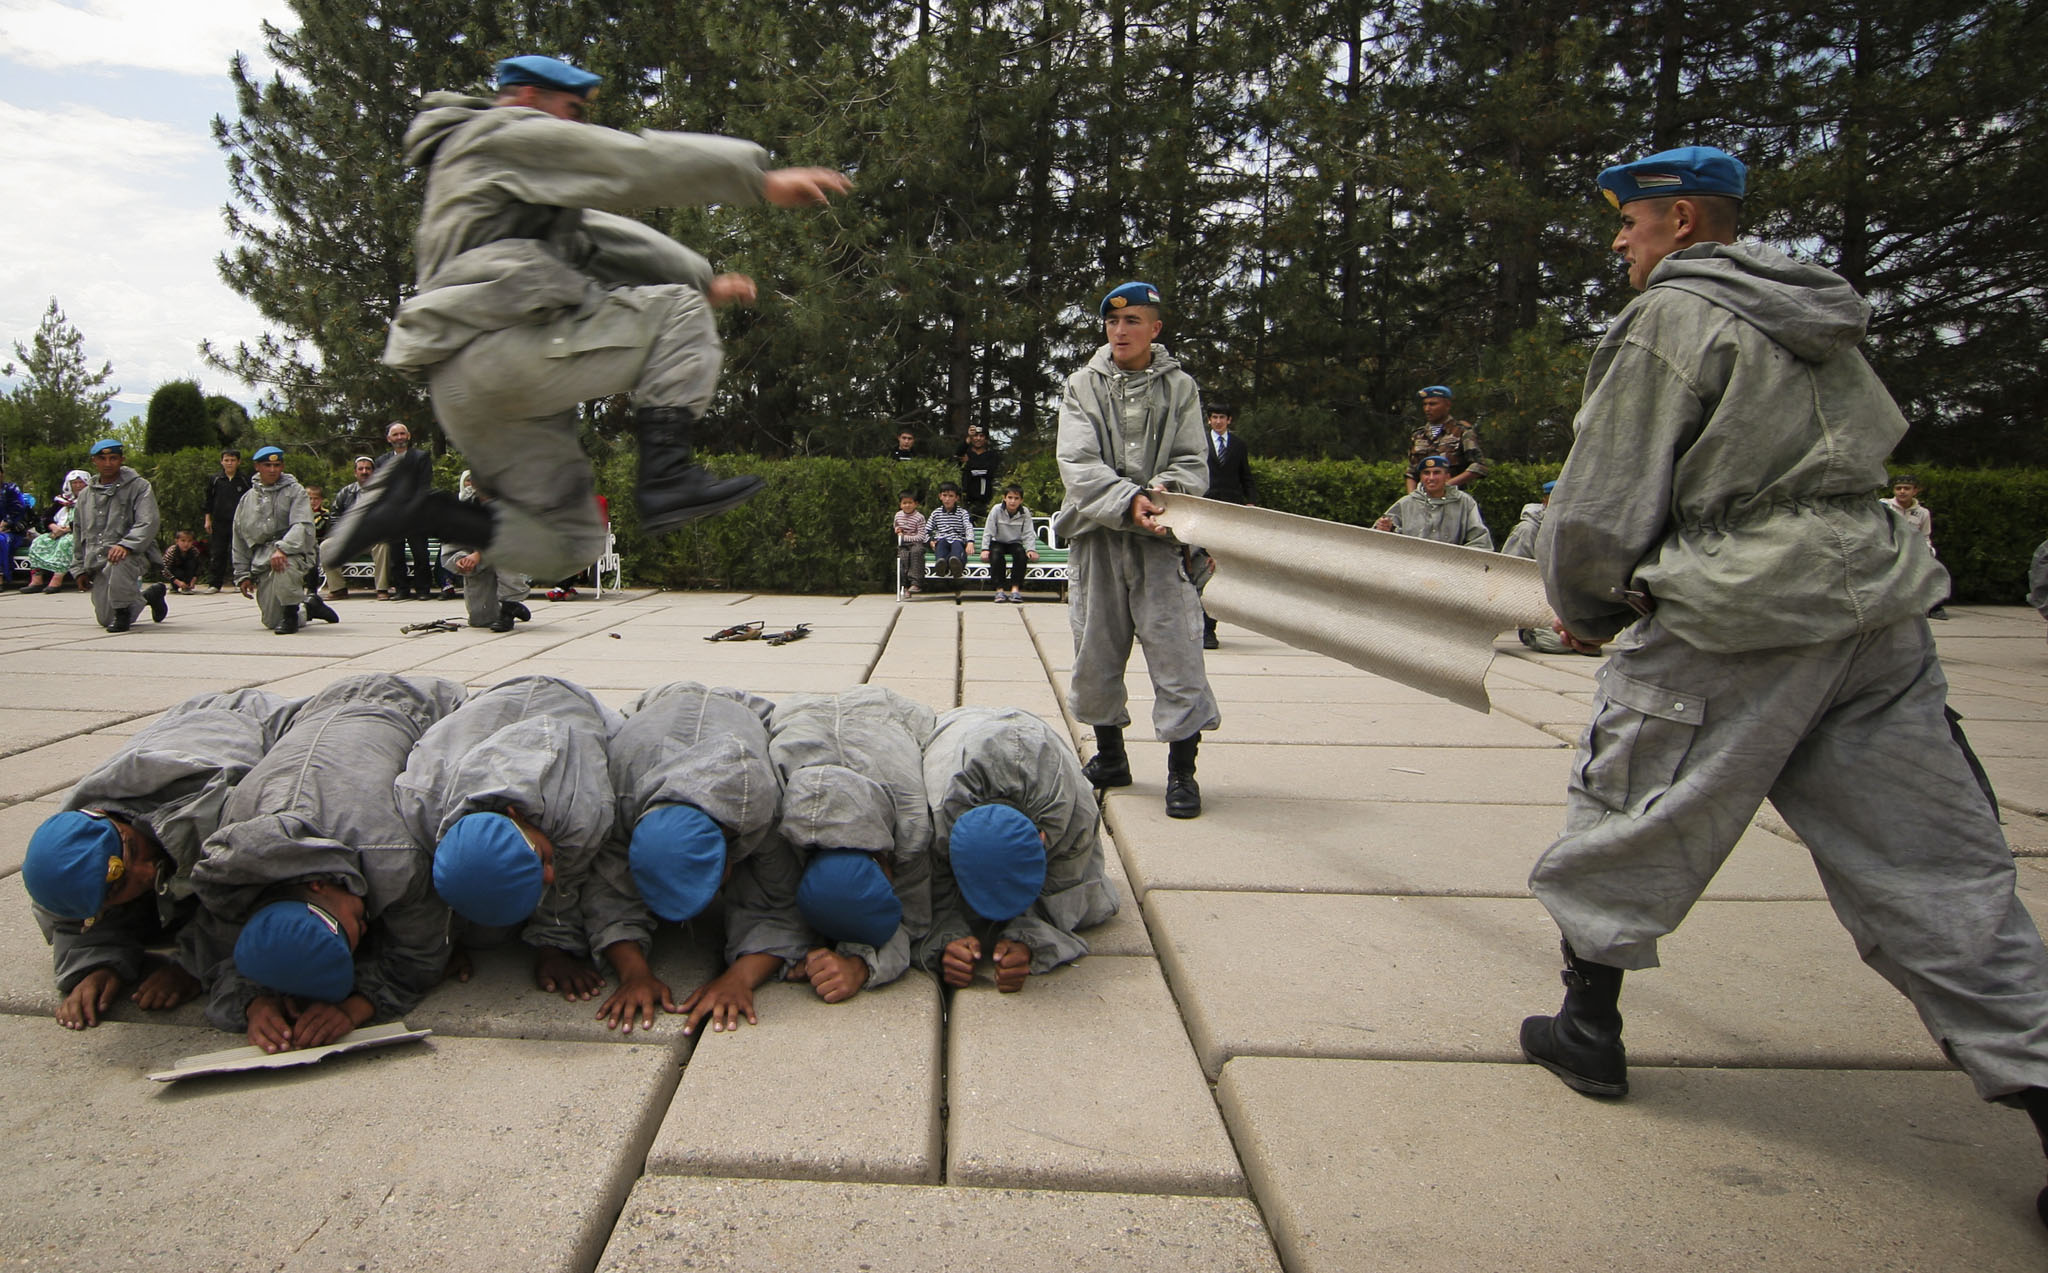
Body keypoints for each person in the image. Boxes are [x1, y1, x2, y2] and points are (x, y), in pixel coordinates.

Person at [1517, 144, 2048, 1226]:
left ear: (1677, 222)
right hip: (1875, 612)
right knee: (1937, 862)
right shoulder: (1820, 314)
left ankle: (1589, 1028)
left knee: (1630, 804)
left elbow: (1603, 493)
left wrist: (1588, 604)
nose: (1618, 240)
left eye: (1628, 221)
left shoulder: (1671, 318)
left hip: (1734, 608)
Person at [328, 54, 852, 590]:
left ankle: (418, 512)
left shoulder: (518, 192)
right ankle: (668, 475)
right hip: (494, 349)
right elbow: (627, 162)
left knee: (570, 542)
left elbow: (601, 239)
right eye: (572, 110)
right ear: (530, 97)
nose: (577, 126)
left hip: (471, 396)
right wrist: (755, 179)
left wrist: (701, 280)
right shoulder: (499, 132)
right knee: (677, 312)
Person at [186, 674, 468, 1052]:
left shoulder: (393, 856)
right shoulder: (230, 865)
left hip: (419, 705)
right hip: (318, 708)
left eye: (351, 931)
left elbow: (422, 953)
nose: (365, 932)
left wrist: (358, 1007)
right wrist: (253, 1002)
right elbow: (215, 945)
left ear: (319, 884)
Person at [21, 689, 298, 1030]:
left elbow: (257, 884)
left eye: (134, 851)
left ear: (111, 817)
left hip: (267, 723)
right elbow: (72, 917)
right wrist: (94, 965)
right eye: (121, 884)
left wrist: (191, 966)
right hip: (191, 725)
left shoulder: (208, 808)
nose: (147, 870)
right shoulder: (66, 848)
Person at [1053, 281, 1218, 819]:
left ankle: (1182, 772)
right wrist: (1128, 500)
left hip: (1161, 543)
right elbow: (1076, 462)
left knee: (1178, 655)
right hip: (1097, 538)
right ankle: (1110, 758)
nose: (1119, 331)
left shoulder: (1181, 388)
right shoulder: (1082, 385)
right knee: (1094, 652)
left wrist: (1162, 495)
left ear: (1155, 329)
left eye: (1132, 321)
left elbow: (1194, 461)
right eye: (1111, 323)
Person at [394, 675, 639, 1009]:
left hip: (567, 700)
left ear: (517, 814)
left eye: (542, 860)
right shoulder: (420, 798)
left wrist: (553, 947)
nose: (550, 875)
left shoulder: (582, 810)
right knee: (486, 935)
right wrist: (439, 947)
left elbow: (567, 882)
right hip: (490, 705)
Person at [603, 681, 807, 1035]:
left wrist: (740, 977)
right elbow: (605, 891)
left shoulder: (758, 802)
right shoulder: (620, 793)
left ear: (729, 849)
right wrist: (633, 972)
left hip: (741, 710)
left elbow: (782, 904)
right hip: (659, 703)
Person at [919, 707, 1117, 993]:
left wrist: (1028, 940)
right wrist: (948, 938)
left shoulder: (1076, 817)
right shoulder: (935, 811)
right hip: (956, 728)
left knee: (1094, 906)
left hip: (1033, 731)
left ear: (1041, 840)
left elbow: (1067, 890)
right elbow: (925, 887)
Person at [768, 686, 937, 1002]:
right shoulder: (777, 824)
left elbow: (914, 921)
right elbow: (767, 904)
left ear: (884, 863)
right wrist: (788, 953)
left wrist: (861, 964)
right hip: (800, 710)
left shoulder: (912, 821)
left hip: (883, 708)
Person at [233, 446, 339, 635]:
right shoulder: (247, 500)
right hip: (263, 558)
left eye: (277, 465)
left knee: (283, 563)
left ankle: (290, 614)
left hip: (294, 552)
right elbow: (239, 538)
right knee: (271, 620)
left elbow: (302, 525)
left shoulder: (295, 491)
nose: (273, 470)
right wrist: (243, 574)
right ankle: (309, 607)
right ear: (257, 466)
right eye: (267, 465)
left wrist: (282, 548)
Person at [73, 439, 168, 632]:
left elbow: (147, 522)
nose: (108, 463)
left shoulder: (139, 487)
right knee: (105, 618)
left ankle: (123, 612)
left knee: (118, 561)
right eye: (102, 458)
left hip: (132, 555)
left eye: (113, 458)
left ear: (121, 459)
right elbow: (78, 532)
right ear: (94, 461)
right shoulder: (85, 495)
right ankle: (150, 596)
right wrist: (78, 568)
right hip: (99, 559)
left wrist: (126, 545)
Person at [442, 473, 533, 632]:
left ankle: (509, 607)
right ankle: (515, 608)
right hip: (480, 564)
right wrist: (461, 560)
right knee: (480, 620)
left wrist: (479, 554)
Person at [1199, 403, 1254, 647]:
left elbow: (1246, 476)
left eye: (1222, 417)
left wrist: (1251, 503)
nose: (1218, 421)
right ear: (1209, 420)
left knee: (1219, 568)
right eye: (1214, 417)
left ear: (1229, 420)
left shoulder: (1239, 445)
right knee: (1198, 564)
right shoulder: (1199, 442)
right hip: (1203, 508)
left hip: (1230, 512)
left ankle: (1209, 627)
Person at [1501, 481, 1578, 654]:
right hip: (1537, 605)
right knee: (1557, 643)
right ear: (1545, 501)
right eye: (1556, 498)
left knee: (1590, 641)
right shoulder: (1527, 531)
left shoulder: (1576, 529)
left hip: (1570, 607)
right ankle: (1532, 633)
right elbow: (1507, 573)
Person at [370, 423, 434, 600]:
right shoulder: (381, 461)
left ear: (409, 436)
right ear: (389, 439)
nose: (399, 437)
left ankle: (423, 589)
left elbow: (424, 485)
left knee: (420, 553)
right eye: (395, 435)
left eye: (402, 434)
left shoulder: (421, 457)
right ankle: (401, 589)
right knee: (396, 555)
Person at [1374, 455, 1493, 548]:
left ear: (1447, 476)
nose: (1431, 478)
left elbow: (1480, 541)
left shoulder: (1465, 502)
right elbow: (1378, 538)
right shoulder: (1407, 503)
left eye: (1436, 473)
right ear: (1421, 477)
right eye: (1426, 473)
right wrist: (1386, 529)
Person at [1883, 474, 1947, 619]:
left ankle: (1935, 607)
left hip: (1911, 551)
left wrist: (1928, 551)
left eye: (1907, 488)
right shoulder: (1884, 506)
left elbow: (1925, 536)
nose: (1902, 491)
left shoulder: (1923, 513)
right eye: (1898, 488)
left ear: (1915, 491)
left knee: (1932, 567)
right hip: (1888, 549)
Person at [1403, 386, 1487, 493]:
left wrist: (1446, 485)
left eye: (1433, 404)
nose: (1427, 409)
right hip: (1424, 500)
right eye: (1425, 404)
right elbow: (1412, 472)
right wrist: (1413, 497)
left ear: (1447, 405)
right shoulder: (1418, 435)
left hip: (1455, 498)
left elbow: (1479, 466)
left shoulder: (1462, 432)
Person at [20, 468, 89, 593]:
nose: (78, 485)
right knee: (39, 541)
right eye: (74, 483)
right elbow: (47, 516)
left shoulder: (91, 500)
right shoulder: (62, 500)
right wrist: (53, 527)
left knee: (66, 543)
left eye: (81, 482)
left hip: (78, 532)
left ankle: (57, 579)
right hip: (58, 531)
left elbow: (89, 519)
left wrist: (67, 529)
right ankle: (36, 580)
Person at [325, 455, 375, 598]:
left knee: (383, 545)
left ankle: (382, 589)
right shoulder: (345, 493)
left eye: (368, 469)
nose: (364, 472)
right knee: (326, 546)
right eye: (361, 469)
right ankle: (337, 589)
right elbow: (334, 516)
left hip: (373, 539)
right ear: (355, 472)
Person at [201, 449, 250, 593]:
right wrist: (207, 519)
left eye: (233, 460)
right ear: (221, 461)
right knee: (218, 553)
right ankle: (214, 584)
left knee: (238, 552)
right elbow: (208, 500)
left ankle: (239, 581)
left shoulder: (244, 480)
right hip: (219, 521)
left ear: (239, 462)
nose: (229, 463)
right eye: (227, 460)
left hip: (239, 522)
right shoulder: (215, 479)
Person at [980, 484, 1040, 603]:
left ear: (1021, 500)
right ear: (1004, 498)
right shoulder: (997, 510)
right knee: (996, 555)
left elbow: (1028, 533)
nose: (1013, 501)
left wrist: (1031, 550)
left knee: (1021, 555)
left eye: (1016, 498)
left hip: (1014, 543)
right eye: (1010, 497)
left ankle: (1015, 590)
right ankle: (999, 590)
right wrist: (985, 549)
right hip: (998, 542)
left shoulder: (1024, 512)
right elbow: (988, 530)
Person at [926, 483, 974, 585]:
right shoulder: (936, 513)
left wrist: (970, 542)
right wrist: (930, 540)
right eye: (944, 495)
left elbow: (968, 527)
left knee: (957, 545)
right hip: (941, 539)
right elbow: (927, 530)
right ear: (940, 497)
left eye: (951, 496)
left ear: (956, 498)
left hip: (958, 539)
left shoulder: (962, 513)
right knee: (941, 544)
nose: (947, 499)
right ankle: (941, 565)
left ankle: (956, 565)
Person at [956, 424, 1002, 516]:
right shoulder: (966, 452)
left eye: (981, 436)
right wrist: (968, 437)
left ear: (986, 439)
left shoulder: (992, 455)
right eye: (975, 436)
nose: (978, 438)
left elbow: (988, 471)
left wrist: (969, 464)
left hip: (985, 500)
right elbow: (957, 455)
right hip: (966, 500)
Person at [0, 467, 32, 587]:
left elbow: (17, 509)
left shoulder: (11, 489)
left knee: (1, 540)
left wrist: (5, 523)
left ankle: (1, 576)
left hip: (12, 530)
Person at [893, 490, 928, 595]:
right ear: (900, 504)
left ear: (915, 504)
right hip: (903, 545)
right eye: (904, 503)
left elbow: (921, 536)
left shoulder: (919, 517)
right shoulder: (898, 515)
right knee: (903, 558)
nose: (907, 505)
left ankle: (916, 583)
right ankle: (904, 585)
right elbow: (896, 526)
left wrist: (904, 537)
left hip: (916, 543)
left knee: (916, 553)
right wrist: (897, 530)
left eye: (910, 503)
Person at [162, 529, 204, 594]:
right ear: (177, 541)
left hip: (188, 572)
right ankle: (174, 586)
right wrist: (176, 581)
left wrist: (194, 578)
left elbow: (199, 566)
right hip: (175, 573)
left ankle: (187, 586)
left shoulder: (194, 551)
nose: (186, 544)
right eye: (183, 541)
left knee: (191, 564)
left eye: (189, 541)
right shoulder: (171, 551)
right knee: (175, 570)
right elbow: (164, 569)